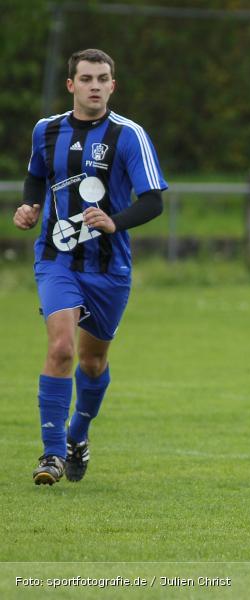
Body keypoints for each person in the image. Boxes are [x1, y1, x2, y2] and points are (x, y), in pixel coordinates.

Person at [14, 49, 167, 485]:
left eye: (102, 78)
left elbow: (153, 201)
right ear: (71, 85)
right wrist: (30, 206)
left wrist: (114, 221)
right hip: (56, 259)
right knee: (61, 347)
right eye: (86, 78)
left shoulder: (129, 135)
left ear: (113, 86)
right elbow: (35, 176)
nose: (94, 85)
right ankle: (51, 455)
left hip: (109, 267)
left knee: (93, 361)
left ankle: (77, 435)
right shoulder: (47, 130)